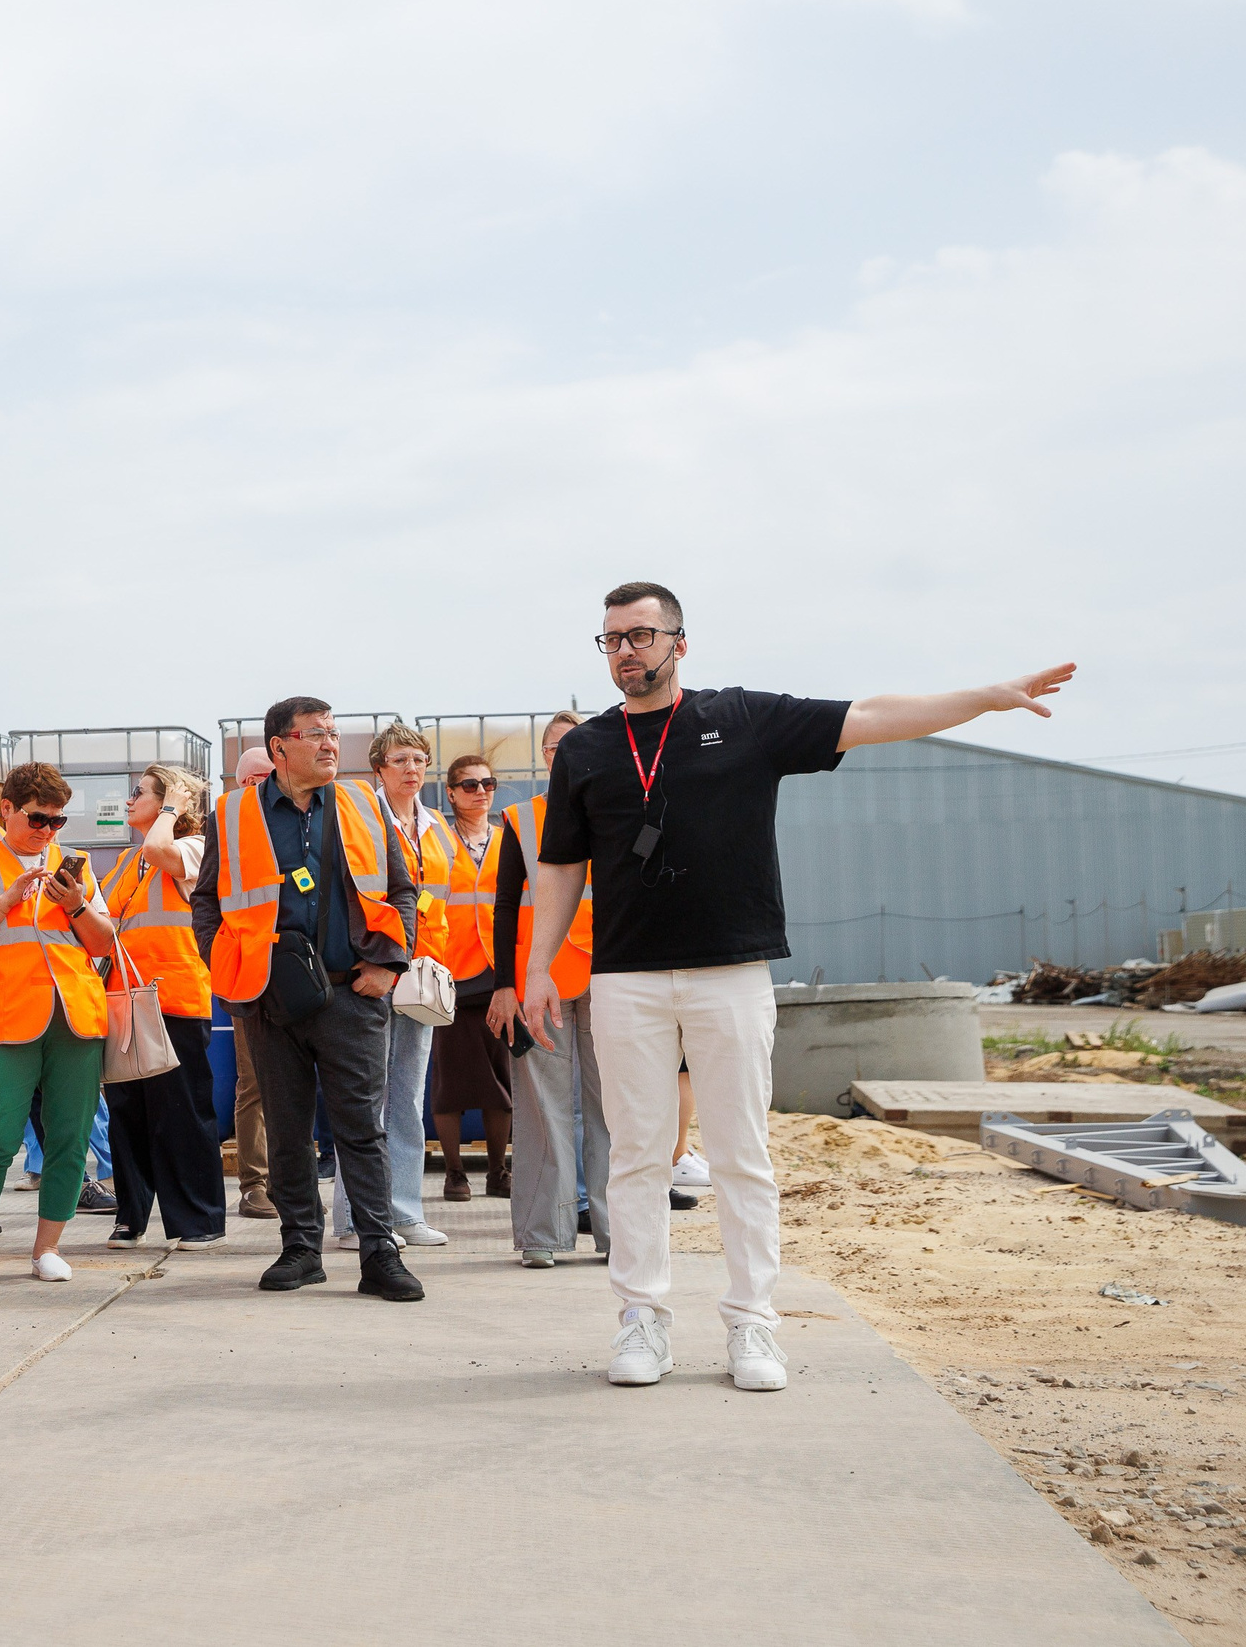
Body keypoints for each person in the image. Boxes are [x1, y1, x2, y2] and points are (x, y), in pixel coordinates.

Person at [521, 580, 1073, 1394]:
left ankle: (753, 1326)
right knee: (635, 1157)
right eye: (611, 640)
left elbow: (875, 715)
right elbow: (563, 864)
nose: (625, 650)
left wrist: (983, 700)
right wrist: (538, 966)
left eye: (640, 635)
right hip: (627, 980)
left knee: (742, 1155)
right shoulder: (587, 749)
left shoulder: (743, 719)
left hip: (732, 972)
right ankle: (642, 1320)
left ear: (679, 642)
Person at [194, 700, 421, 1303]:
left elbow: (402, 890)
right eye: (316, 735)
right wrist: (229, 969)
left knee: (362, 1131)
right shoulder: (233, 813)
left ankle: (379, 1252)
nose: (330, 746)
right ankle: (301, 1248)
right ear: (279, 748)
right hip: (268, 1001)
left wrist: (388, 965)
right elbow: (207, 901)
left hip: (353, 994)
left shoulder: (361, 804)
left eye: (333, 734)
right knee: (288, 1128)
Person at [0, 763, 116, 1283]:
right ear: (8, 809)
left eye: (57, 822)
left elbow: (103, 944)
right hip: (4, 1020)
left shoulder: (72, 868)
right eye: (38, 818)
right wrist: (6, 900)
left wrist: (78, 904)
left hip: (75, 1020)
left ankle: (48, 1249)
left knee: (70, 1138)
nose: (46, 831)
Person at [486, 712, 607, 1269]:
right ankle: (543, 1235)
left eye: (573, 743)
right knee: (542, 1109)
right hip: (542, 981)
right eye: (553, 746)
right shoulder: (522, 820)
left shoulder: (620, 809)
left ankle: (620, 1235)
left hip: (612, 978)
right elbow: (506, 906)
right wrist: (505, 986)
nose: (563, 753)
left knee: (618, 1110)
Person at [326, 726, 449, 1251]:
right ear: (378, 768)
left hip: (421, 977)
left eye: (419, 758)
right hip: (374, 974)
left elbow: (440, 902)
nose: (411, 768)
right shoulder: (358, 820)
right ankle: (356, 1220)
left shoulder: (437, 824)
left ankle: (404, 1212)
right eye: (400, 759)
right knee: (365, 1103)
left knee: (407, 1100)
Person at [99, 763, 225, 1249]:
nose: (129, 800)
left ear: (173, 802)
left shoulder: (194, 848)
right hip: (125, 1003)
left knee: (182, 1113)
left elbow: (160, 848)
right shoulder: (130, 863)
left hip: (174, 999)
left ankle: (199, 1220)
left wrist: (172, 805)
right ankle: (131, 1214)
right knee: (128, 1113)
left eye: (141, 793)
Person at [430, 754, 509, 1207]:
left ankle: (498, 1171)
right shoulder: (438, 841)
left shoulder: (508, 839)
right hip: (450, 972)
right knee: (450, 1080)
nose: (480, 791)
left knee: (500, 1076)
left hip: (499, 973)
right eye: (469, 785)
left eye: (487, 783)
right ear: (452, 793)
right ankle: (455, 1173)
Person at [223, 746, 277, 1220]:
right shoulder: (226, 829)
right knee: (254, 1084)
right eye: (263, 776)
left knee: (296, 1083)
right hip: (247, 977)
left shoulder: (297, 821)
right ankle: (254, 1185)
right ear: (244, 783)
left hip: (299, 974)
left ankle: (286, 1180)